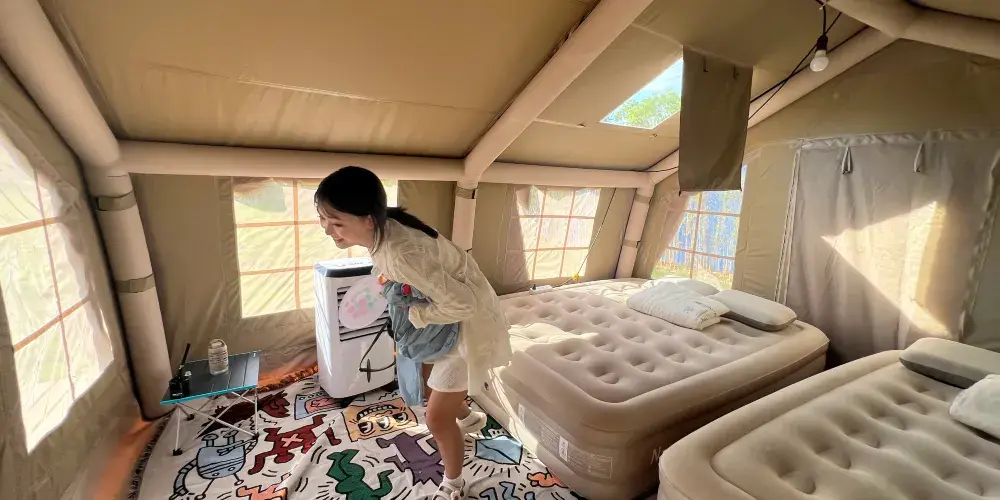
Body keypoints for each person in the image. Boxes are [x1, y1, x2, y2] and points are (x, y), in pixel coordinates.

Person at [314, 166, 513, 500]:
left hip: (470, 326)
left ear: (368, 219)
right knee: (428, 372)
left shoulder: (401, 253)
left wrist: (418, 314)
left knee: (436, 418)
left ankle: (454, 484)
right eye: (322, 218)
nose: (326, 229)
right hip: (456, 316)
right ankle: (469, 418)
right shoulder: (386, 228)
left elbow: (463, 304)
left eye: (335, 222)